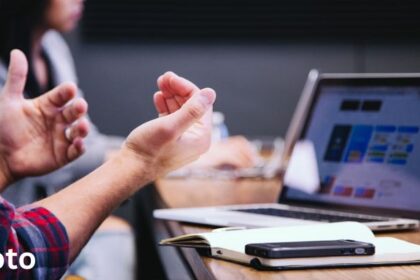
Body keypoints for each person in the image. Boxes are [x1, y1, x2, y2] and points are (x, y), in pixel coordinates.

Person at [0, 0, 253, 277]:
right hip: (22, 234)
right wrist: (147, 158)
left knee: (117, 238)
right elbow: (17, 255)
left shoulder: (53, 48)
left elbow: (80, 145)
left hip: (26, 230)